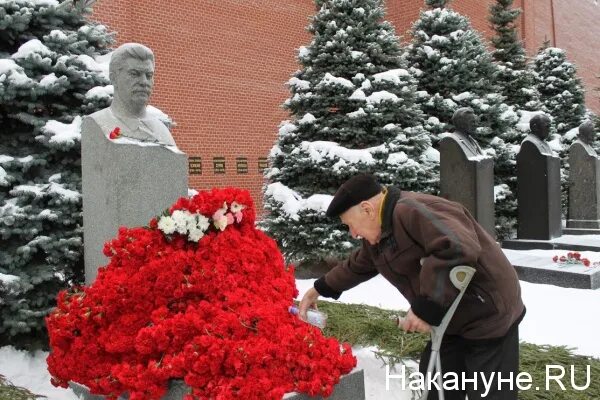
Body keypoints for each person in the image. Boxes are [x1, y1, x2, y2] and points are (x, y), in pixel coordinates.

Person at [299, 174, 525, 400]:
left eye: (350, 225)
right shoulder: (378, 235)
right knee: (435, 387)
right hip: (450, 319)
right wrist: (319, 288)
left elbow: (457, 247)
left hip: (488, 314)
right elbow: (357, 266)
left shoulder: (412, 211)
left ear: (367, 209)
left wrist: (425, 308)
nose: (353, 233)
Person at [85, 43, 176, 146]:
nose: (144, 82)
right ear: (114, 78)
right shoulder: (97, 124)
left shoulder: (162, 132)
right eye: (134, 74)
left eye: (149, 75)